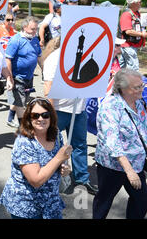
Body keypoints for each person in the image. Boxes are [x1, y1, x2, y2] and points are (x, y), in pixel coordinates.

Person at [0, 97, 73, 219]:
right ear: (29, 118)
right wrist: (59, 159)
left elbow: (60, 162)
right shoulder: (24, 142)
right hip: (27, 207)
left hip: (51, 203)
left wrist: (65, 169)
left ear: (51, 117)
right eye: (35, 115)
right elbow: (36, 180)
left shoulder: (56, 133)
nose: (40, 119)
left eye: (45, 115)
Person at [93, 68, 147, 219]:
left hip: (136, 163)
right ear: (122, 88)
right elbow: (112, 141)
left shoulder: (138, 101)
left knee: (142, 200)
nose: (142, 89)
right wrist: (129, 171)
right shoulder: (110, 106)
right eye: (137, 87)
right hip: (114, 165)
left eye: (142, 85)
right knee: (104, 201)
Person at [43, 36, 98, 195]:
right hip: (59, 110)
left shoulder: (85, 55)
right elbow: (48, 90)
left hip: (78, 109)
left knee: (79, 144)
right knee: (51, 144)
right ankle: (48, 176)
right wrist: (51, 116)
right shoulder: (54, 58)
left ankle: (82, 179)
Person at [5, 16, 43, 128]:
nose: (35, 31)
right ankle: (23, 127)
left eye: (36, 29)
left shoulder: (35, 39)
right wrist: (9, 78)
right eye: (32, 29)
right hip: (17, 77)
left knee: (21, 100)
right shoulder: (16, 40)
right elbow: (8, 59)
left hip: (29, 77)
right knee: (20, 103)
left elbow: (39, 56)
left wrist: (44, 70)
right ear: (25, 27)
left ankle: (10, 118)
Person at [118, 0, 147, 71]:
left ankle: (114, 78)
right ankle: (134, 81)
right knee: (134, 67)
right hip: (128, 44)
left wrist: (146, 21)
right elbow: (128, 31)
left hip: (133, 44)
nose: (141, 4)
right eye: (139, 2)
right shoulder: (126, 14)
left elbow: (140, 25)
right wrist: (141, 34)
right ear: (133, 3)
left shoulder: (137, 13)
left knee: (121, 66)